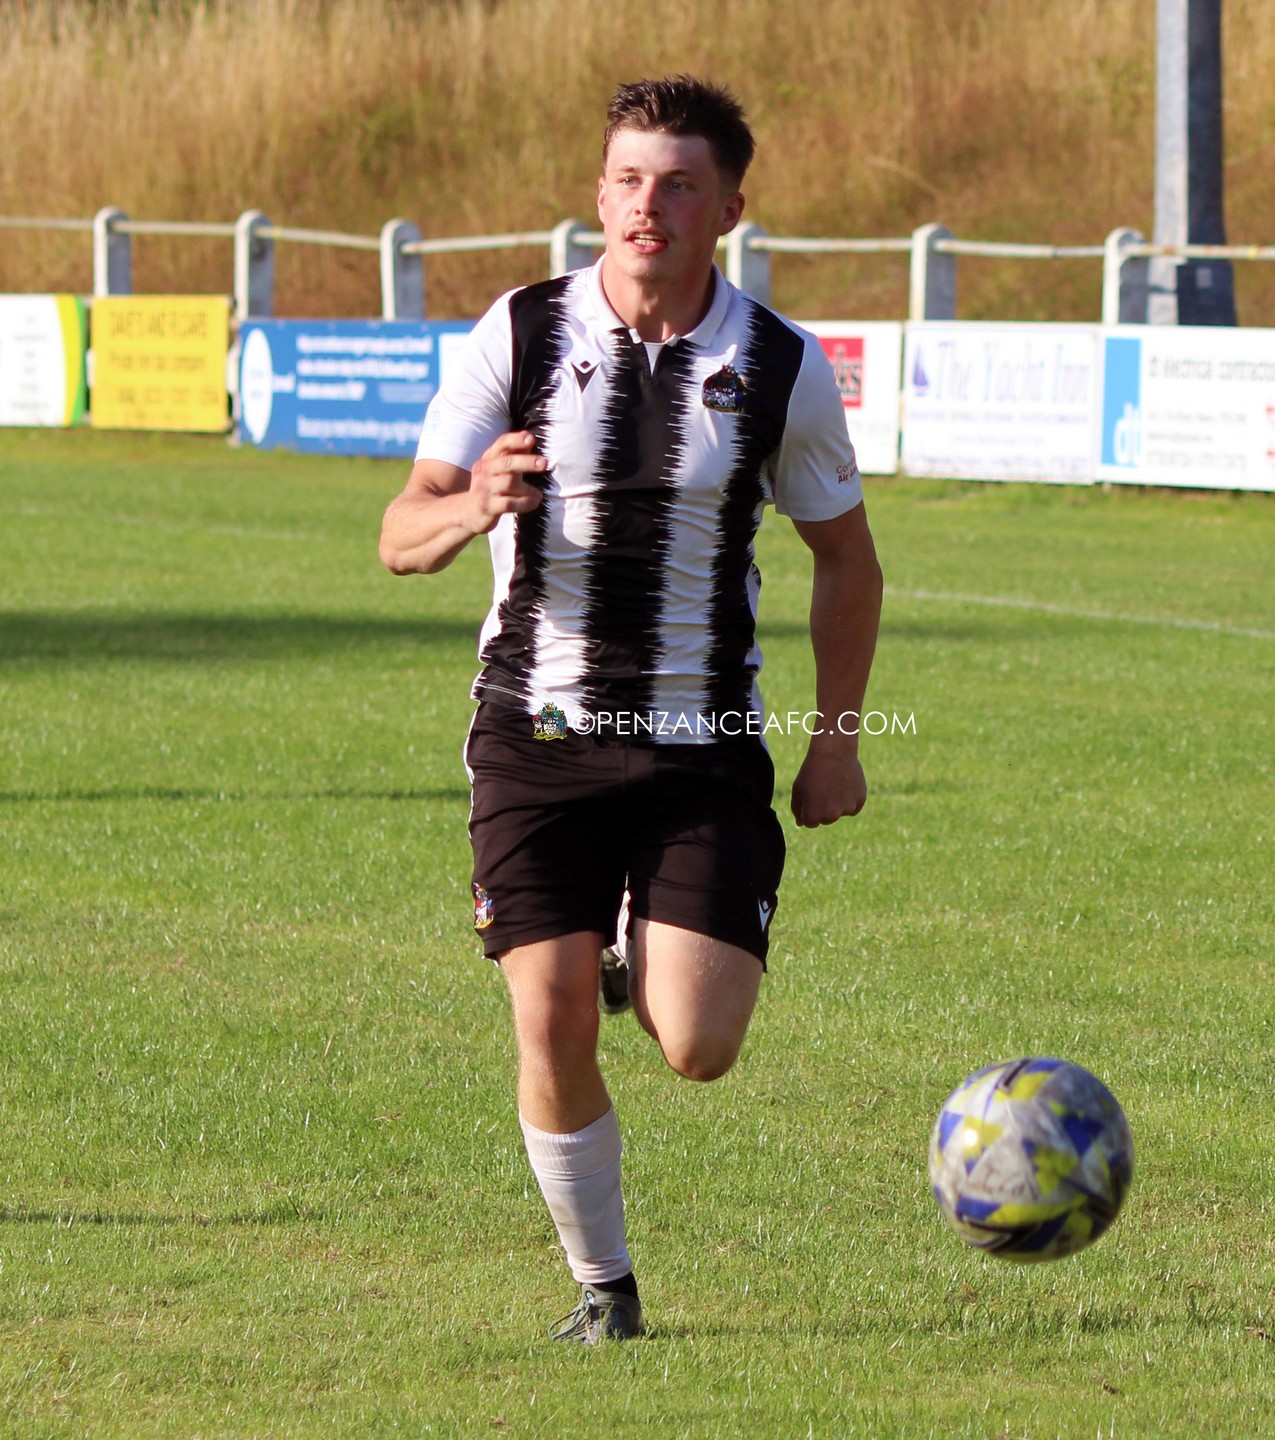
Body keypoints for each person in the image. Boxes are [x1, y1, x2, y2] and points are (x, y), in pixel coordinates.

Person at [378, 75, 883, 1343]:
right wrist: (469, 506)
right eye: (626, 180)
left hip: (702, 744)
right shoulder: (520, 332)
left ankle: (631, 939)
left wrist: (836, 744)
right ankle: (604, 1288)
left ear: (729, 209)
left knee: (699, 1045)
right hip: (534, 728)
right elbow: (400, 534)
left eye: (678, 184)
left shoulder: (778, 364)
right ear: (599, 194)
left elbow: (847, 560)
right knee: (546, 1009)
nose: (646, 205)